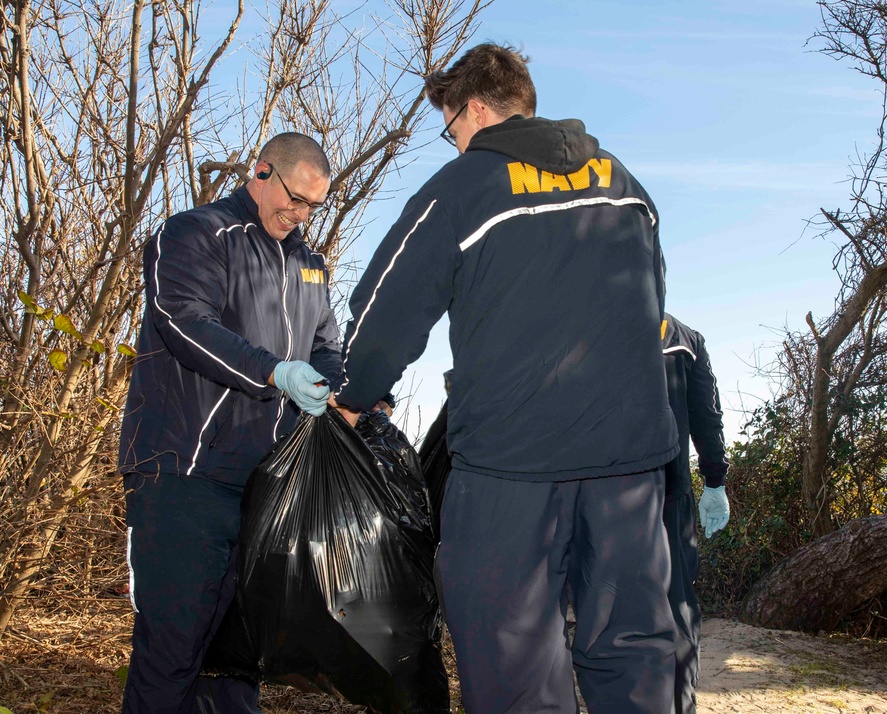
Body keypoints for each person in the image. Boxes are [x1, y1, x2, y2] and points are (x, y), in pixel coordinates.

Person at [331, 43, 680, 713]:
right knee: (634, 646)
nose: (454, 143)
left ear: (476, 110)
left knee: (511, 655)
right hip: (631, 463)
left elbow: (387, 309)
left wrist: (353, 395)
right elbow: (649, 300)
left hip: (512, 466)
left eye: (450, 126)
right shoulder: (626, 185)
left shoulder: (462, 188)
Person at [118, 132, 342, 714]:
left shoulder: (309, 266)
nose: (299, 215)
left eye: (313, 206)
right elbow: (183, 321)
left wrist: (346, 394)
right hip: (184, 474)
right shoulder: (194, 234)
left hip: (266, 487)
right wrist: (273, 373)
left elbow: (326, 347)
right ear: (262, 173)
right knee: (173, 647)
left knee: (239, 655)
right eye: (294, 198)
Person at [661, 313, 731, 714]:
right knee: (677, 605)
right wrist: (715, 480)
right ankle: (677, 705)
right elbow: (707, 415)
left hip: (602, 494)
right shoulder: (685, 338)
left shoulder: (587, 315)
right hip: (671, 491)